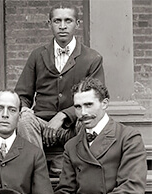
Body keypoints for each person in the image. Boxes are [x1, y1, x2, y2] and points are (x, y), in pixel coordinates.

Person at [15, 5, 104, 174]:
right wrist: (25, 108)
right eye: (57, 21)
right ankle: (37, 171)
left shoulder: (92, 58)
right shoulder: (37, 55)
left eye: (68, 21)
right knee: (23, 120)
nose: (62, 26)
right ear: (50, 24)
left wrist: (64, 115)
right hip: (41, 124)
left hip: (74, 126)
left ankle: (70, 163)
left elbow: (96, 97)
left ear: (77, 24)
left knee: (90, 117)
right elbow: (22, 94)